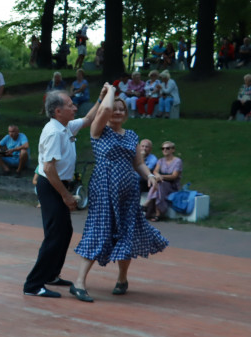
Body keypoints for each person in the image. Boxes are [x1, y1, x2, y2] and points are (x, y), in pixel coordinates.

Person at [70, 87, 168, 301]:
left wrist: (150, 176)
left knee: (126, 232)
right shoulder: (98, 129)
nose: (117, 112)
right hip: (104, 189)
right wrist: (111, 91)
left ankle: (122, 278)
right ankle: (79, 283)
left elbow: (139, 164)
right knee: (98, 230)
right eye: (114, 108)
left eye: (122, 109)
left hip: (128, 191)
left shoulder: (132, 135)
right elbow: (103, 110)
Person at [22, 87, 105, 298]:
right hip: (50, 186)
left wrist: (101, 98)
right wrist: (66, 196)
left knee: (64, 232)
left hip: (57, 184)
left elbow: (87, 119)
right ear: (57, 111)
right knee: (54, 235)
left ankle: (51, 275)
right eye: (70, 105)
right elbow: (49, 169)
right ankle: (33, 284)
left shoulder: (66, 127)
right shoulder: (53, 132)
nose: (74, 107)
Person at [143, 140, 182, 221]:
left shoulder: (177, 161)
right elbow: (155, 171)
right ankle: (157, 213)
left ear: (173, 150)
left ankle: (150, 206)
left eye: (167, 148)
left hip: (172, 185)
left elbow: (174, 176)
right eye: (163, 148)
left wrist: (161, 176)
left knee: (159, 184)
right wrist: (157, 176)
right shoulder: (161, 160)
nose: (164, 150)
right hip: (161, 183)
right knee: (158, 184)